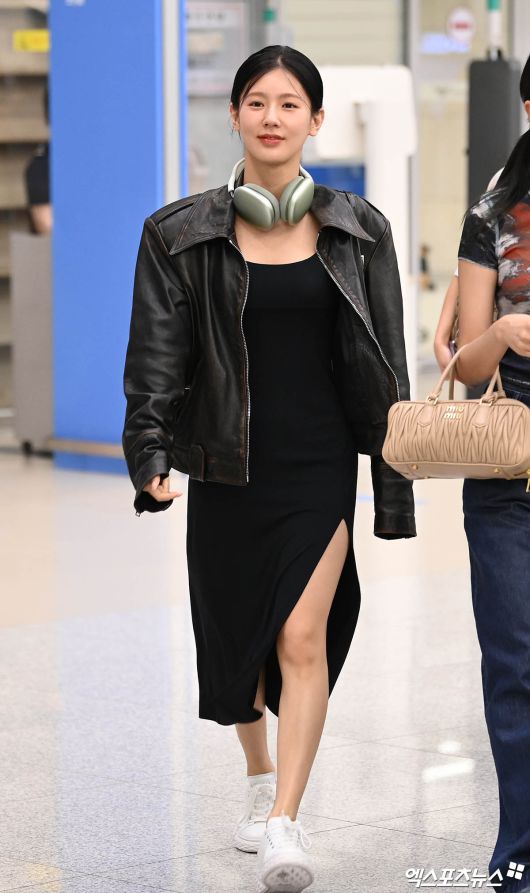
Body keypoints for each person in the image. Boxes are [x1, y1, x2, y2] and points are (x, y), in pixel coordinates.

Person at [122, 45, 415, 893]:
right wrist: (149, 450)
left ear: (316, 120)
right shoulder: (178, 233)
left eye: (290, 104)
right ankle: (258, 776)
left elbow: (387, 364)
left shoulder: (359, 230)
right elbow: (156, 355)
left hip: (319, 464)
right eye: (257, 102)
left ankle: (286, 818)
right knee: (241, 646)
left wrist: (390, 478)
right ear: (235, 116)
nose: (273, 117)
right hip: (227, 463)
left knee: (299, 635)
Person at [454, 53, 530, 893]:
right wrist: (503, 335)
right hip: (509, 471)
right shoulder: (492, 216)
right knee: (515, 665)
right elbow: (466, 363)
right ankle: (520, 854)